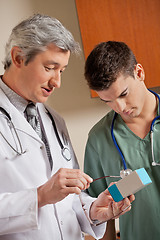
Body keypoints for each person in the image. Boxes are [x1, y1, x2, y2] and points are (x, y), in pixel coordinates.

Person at [0, 15, 134, 240]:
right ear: (18, 57)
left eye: (61, 71)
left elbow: (66, 199)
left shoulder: (54, 120)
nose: (57, 82)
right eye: (50, 68)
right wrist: (40, 196)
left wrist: (93, 210)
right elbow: (48, 196)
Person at [84, 40, 160, 240]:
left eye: (124, 94)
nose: (119, 107)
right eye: (107, 101)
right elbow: (99, 209)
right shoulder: (99, 139)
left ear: (139, 72)